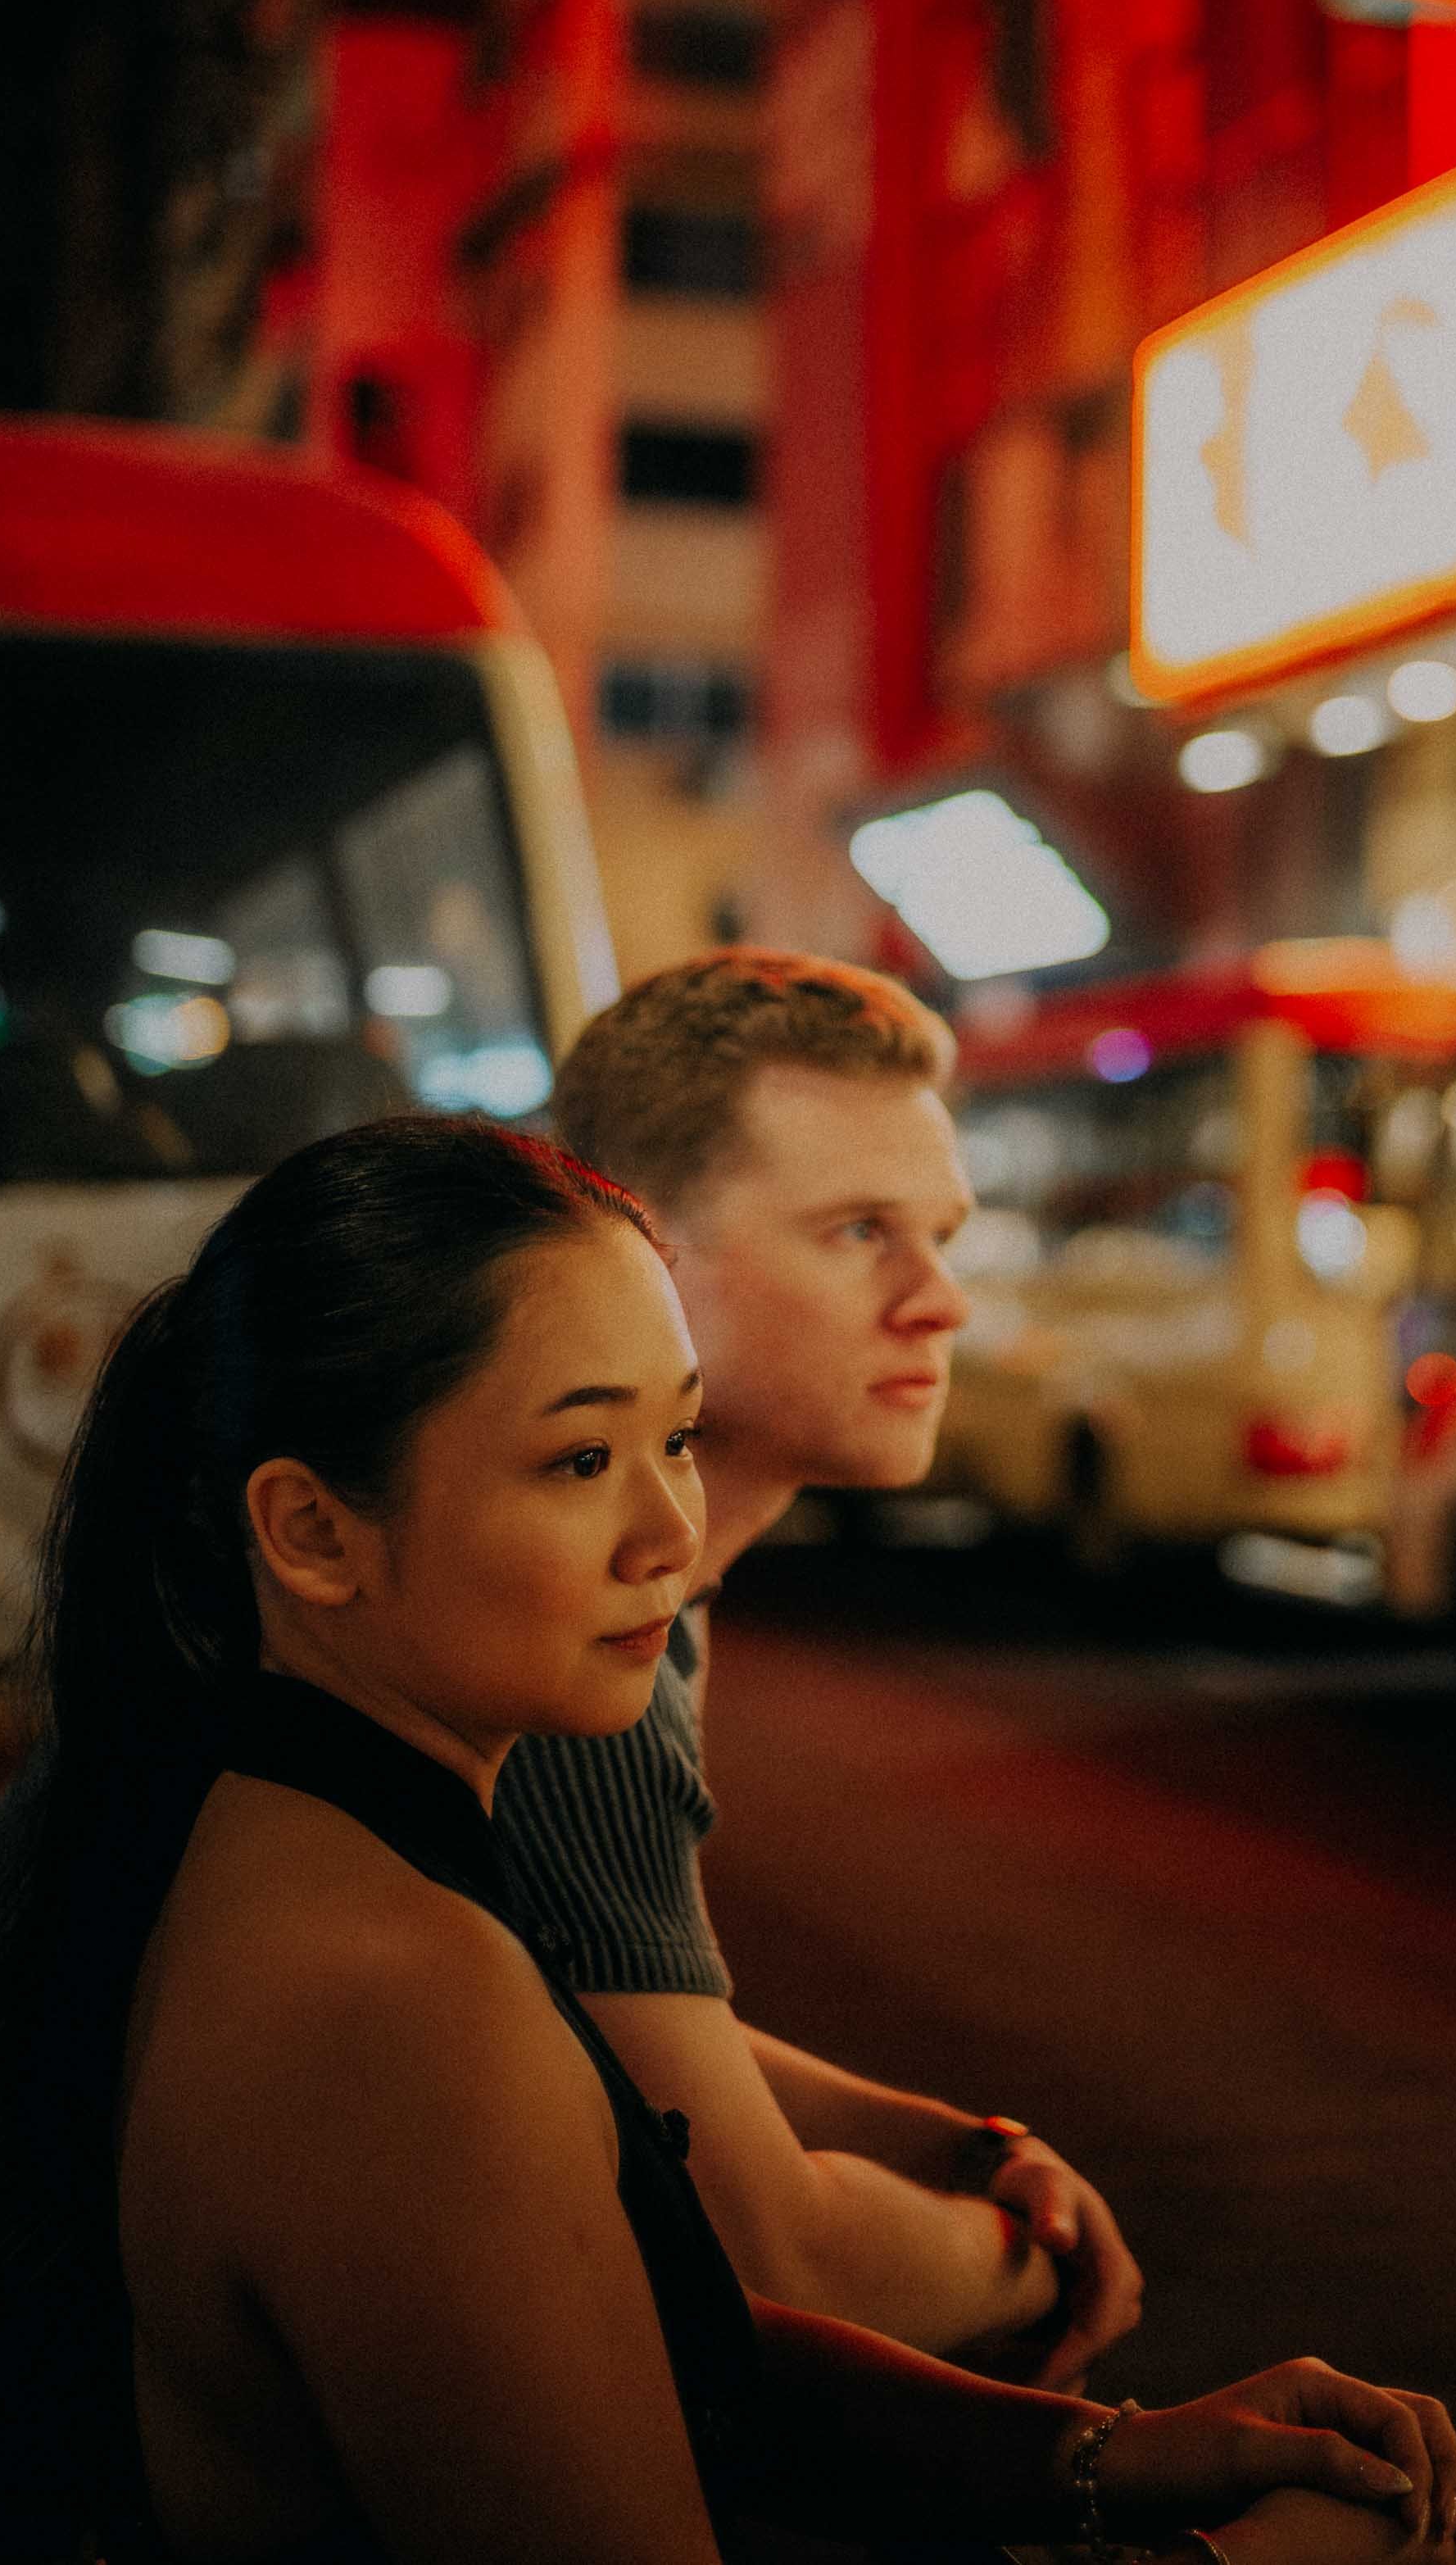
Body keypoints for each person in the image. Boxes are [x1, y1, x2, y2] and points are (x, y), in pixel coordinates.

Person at [0, 1114, 1456, 2565]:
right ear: (308, 1532)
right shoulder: (399, 2002)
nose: (669, 1532)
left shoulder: (267, 1812)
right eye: (577, 1461)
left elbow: (640, 2340)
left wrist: (1103, 2459)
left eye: (676, 1438)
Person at [492, 949, 1135, 2384]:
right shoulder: (570, 1620)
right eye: (857, 1232)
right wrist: (1039, 2268)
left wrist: (967, 2147)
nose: (940, 1303)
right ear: (635, 1252)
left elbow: (620, 2019)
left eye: (945, 1235)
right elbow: (765, 2253)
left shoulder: (626, 1550)